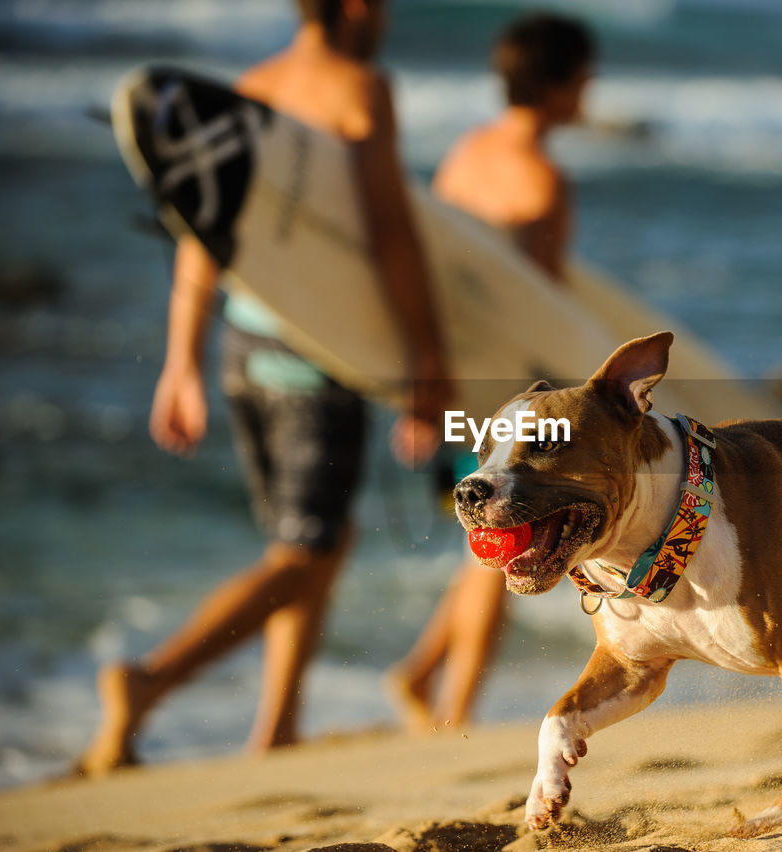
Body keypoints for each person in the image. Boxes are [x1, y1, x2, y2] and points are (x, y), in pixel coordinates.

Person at [76, 0, 451, 775]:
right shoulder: (360, 87)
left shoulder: (251, 83)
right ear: (354, 6)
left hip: (243, 348)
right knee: (305, 552)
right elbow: (388, 229)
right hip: (315, 354)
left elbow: (200, 231)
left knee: (315, 540)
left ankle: (277, 725)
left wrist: (182, 362)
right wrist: (428, 353)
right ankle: (149, 684)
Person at [385, 11, 596, 733]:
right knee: (495, 554)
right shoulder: (543, 180)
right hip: (498, 394)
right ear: (565, 84)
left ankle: (418, 679)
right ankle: (453, 714)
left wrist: (417, 387)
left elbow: (438, 271)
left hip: (446, 381)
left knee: (477, 545)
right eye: (587, 80)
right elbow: (538, 311)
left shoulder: (466, 153)